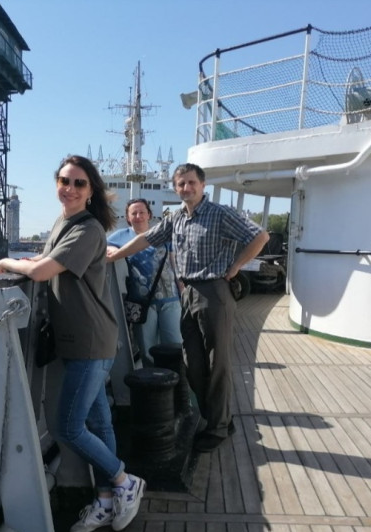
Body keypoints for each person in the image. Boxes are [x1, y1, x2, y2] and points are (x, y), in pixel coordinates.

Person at [0, 155, 145, 532]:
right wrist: (31, 259)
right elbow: (47, 259)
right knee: (99, 422)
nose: (70, 188)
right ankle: (106, 500)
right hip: (80, 339)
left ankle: (124, 481)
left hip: (91, 339)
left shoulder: (88, 228)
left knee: (69, 426)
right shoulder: (64, 222)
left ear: (91, 191)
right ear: (56, 184)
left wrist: (7, 262)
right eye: (64, 181)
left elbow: (42, 272)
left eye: (79, 183)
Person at [107, 163, 269, 452]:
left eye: (191, 182)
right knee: (192, 363)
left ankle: (218, 427)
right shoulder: (176, 218)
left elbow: (260, 236)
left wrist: (236, 267)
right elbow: (146, 239)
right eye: (181, 184)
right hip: (188, 292)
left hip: (214, 291)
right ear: (176, 188)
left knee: (216, 363)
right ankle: (219, 417)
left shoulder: (219, 213)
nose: (186, 188)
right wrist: (114, 255)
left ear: (202, 185)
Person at [107, 198, 182, 367]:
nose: (138, 216)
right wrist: (112, 249)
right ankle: (152, 379)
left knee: (175, 345)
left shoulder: (161, 233)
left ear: (149, 214)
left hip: (170, 299)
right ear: (128, 217)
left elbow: (174, 263)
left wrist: (182, 291)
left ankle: (175, 379)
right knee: (147, 350)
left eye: (142, 212)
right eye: (134, 213)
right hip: (141, 303)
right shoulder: (121, 236)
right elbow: (103, 248)